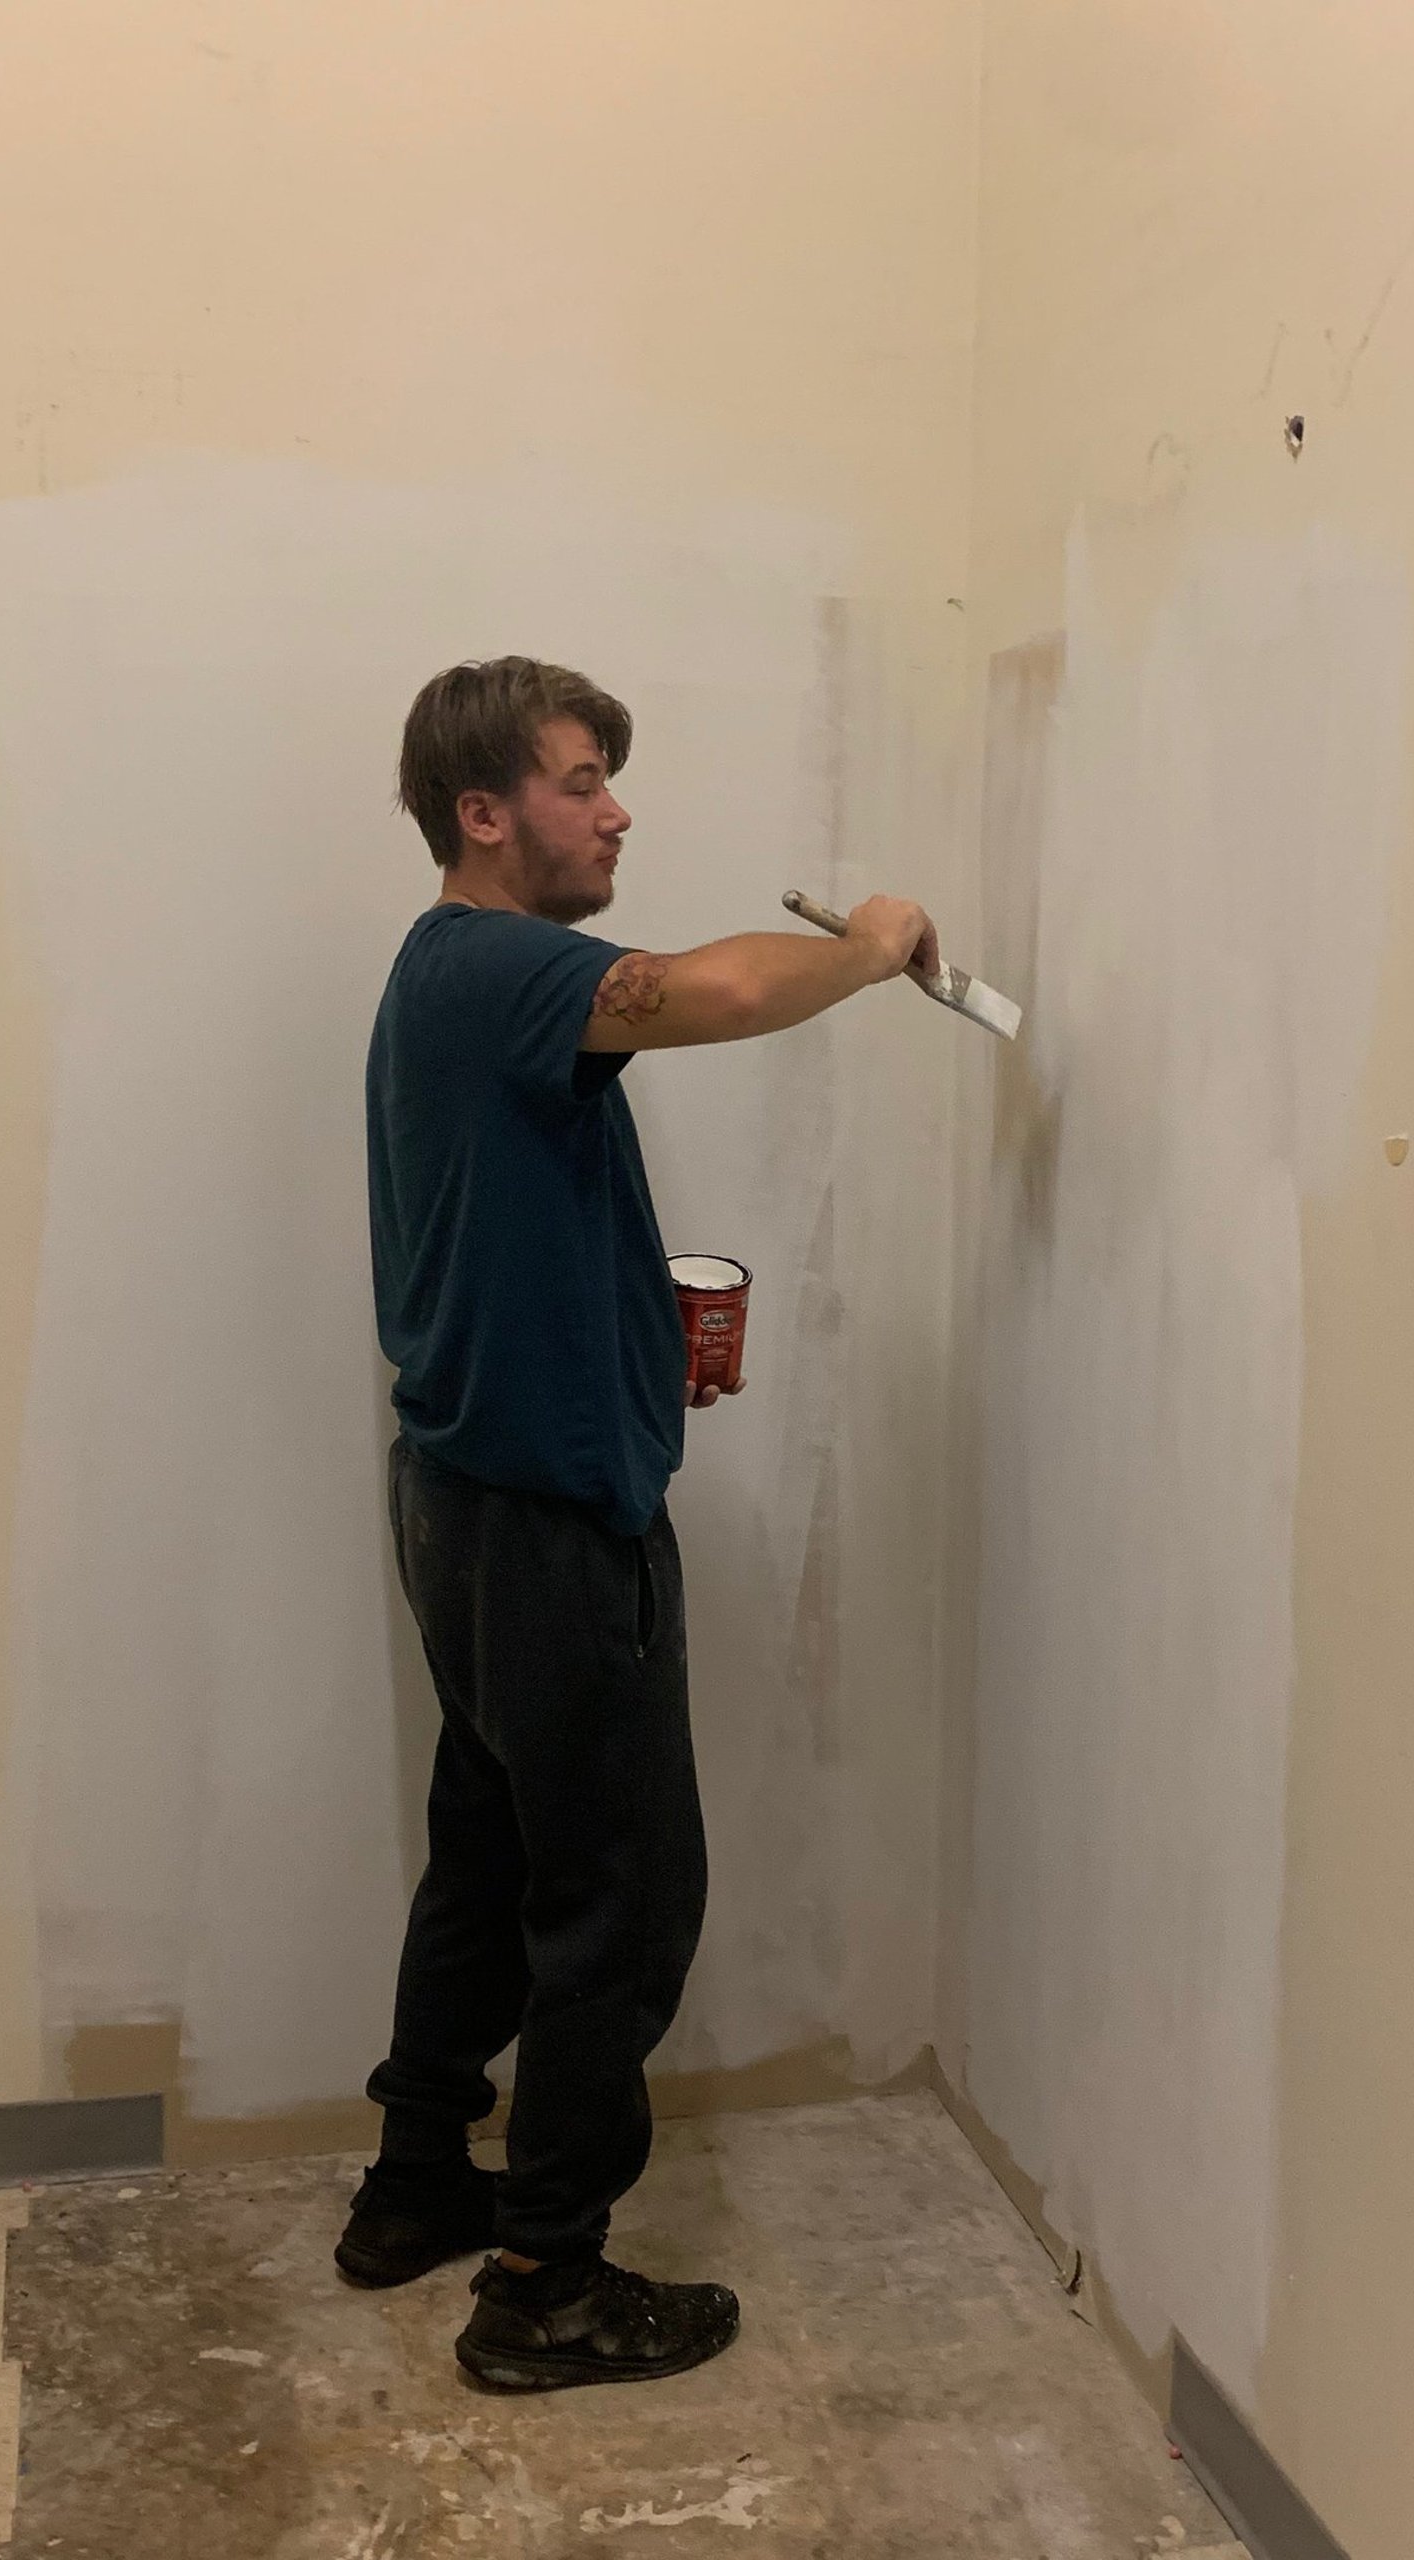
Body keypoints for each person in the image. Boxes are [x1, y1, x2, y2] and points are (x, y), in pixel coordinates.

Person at [337, 655, 938, 2392]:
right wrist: (875, 939)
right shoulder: (502, 966)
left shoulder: (451, 983)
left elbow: (508, 1223)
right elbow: (723, 986)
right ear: (485, 812)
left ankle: (415, 2185)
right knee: (622, 1903)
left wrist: (630, 1346)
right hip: (538, 1530)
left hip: (467, 1497)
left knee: (494, 1850)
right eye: (584, 779)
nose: (616, 810)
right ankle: (547, 2289)